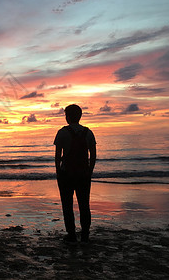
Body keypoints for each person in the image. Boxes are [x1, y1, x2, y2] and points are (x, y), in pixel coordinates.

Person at [54, 104, 96, 243]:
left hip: (66, 174)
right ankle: (85, 234)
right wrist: (89, 171)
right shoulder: (88, 132)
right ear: (80, 116)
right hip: (83, 174)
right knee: (84, 204)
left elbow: (57, 155)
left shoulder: (62, 132)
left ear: (68, 117)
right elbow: (93, 155)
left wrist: (58, 172)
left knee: (67, 205)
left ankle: (71, 234)